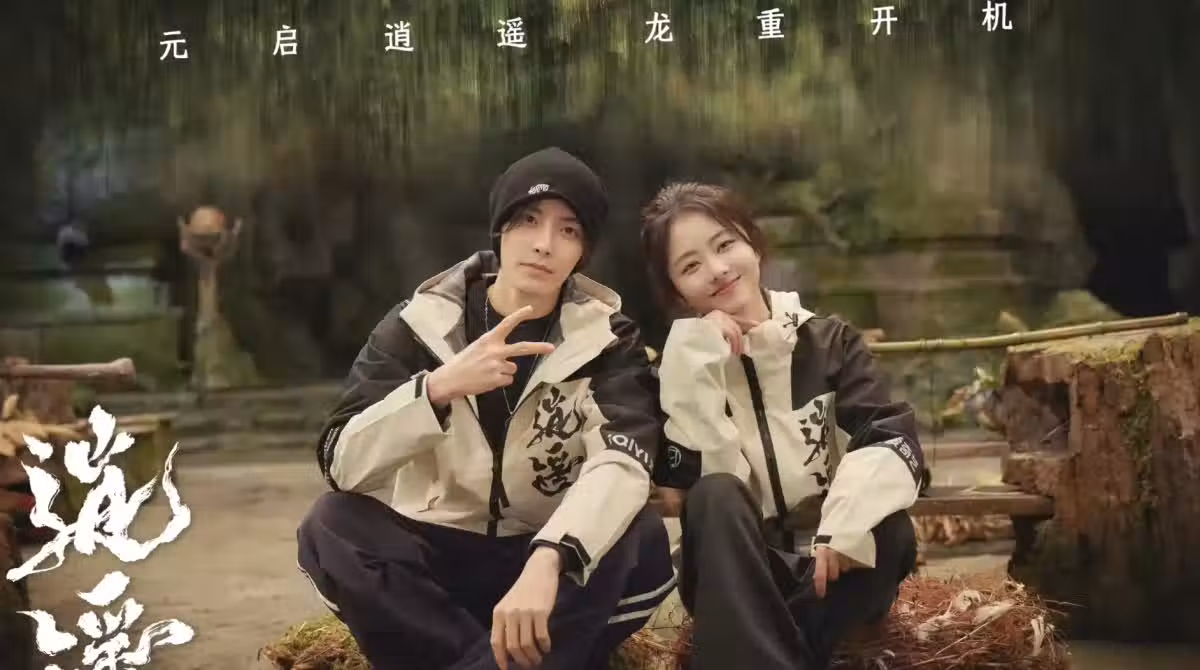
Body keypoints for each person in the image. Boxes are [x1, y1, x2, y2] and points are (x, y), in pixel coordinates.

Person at [296, 147, 674, 670]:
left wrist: (551, 556)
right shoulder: (418, 326)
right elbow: (342, 464)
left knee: (640, 535)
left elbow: (622, 462)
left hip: (547, 575)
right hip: (437, 573)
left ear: (583, 250)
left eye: (568, 230)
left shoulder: (609, 340)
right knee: (332, 525)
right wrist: (436, 389)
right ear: (500, 229)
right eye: (528, 220)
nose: (544, 244)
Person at [640, 182, 925, 669]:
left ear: (753, 242)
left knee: (891, 529)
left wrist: (843, 525)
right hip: (737, 577)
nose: (717, 269)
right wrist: (696, 359)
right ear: (675, 291)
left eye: (725, 244)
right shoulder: (680, 366)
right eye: (690, 266)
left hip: (830, 563)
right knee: (715, 494)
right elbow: (690, 483)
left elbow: (889, 437)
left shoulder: (831, 343)